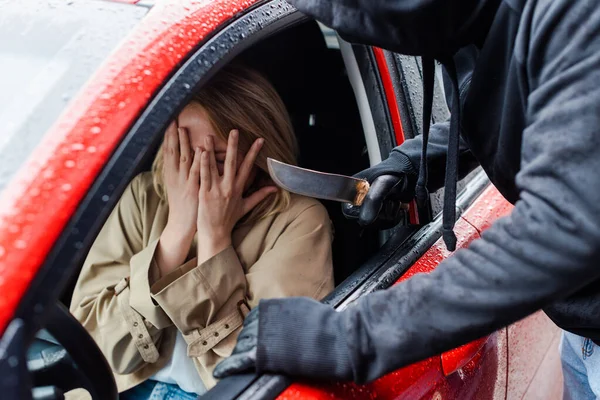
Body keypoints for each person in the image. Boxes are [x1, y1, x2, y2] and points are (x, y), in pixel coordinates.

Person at [213, 0, 600, 398]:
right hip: (581, 334)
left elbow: (567, 222)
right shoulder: (475, 25)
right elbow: (527, 108)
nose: (349, 35)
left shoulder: (578, 15)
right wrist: (412, 163)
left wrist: (346, 338)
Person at [69, 65, 334, 398]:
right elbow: (94, 349)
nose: (198, 178)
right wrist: (177, 231)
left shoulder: (299, 220)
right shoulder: (144, 196)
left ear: (261, 156)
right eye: (184, 156)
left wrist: (214, 238)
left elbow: (253, 376)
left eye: (219, 161)